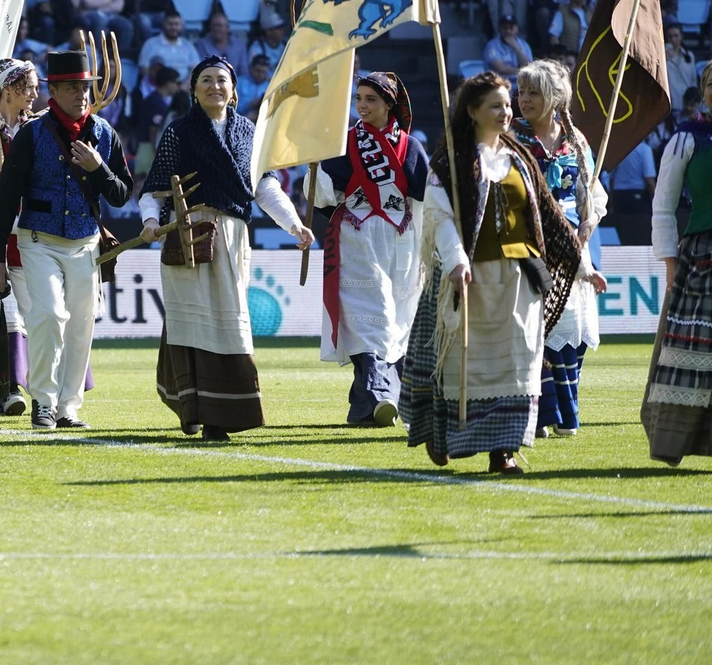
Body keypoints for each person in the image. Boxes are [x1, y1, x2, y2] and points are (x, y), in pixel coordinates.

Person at [400, 72, 585, 475]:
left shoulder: (519, 158)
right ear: (472, 111)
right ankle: (443, 433)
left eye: (507, 104)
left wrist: (581, 265)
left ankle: (503, 451)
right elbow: (440, 217)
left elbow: (548, 217)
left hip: (520, 281)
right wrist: (455, 260)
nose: (506, 111)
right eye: (496, 106)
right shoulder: (450, 162)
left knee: (518, 365)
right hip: (469, 277)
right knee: (460, 365)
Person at [140, 57, 312, 441]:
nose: (214, 86)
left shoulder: (250, 133)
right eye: (205, 80)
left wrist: (294, 223)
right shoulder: (179, 132)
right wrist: (151, 221)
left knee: (228, 319)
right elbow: (155, 191)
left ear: (234, 90)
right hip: (188, 234)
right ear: (193, 89)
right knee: (192, 320)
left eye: (222, 80)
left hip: (232, 235)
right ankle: (193, 408)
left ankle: (221, 413)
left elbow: (265, 187)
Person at [0, 51, 131, 429]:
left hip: (84, 244)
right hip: (38, 240)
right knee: (48, 315)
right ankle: (44, 402)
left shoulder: (104, 132)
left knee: (81, 324)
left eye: (84, 87)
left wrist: (97, 169)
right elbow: (5, 196)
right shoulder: (33, 134)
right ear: (54, 92)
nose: (81, 95)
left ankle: (69, 407)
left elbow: (121, 194)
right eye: (71, 88)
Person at [311, 73, 429, 426]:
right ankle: (379, 394)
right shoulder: (343, 143)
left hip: (402, 244)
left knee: (398, 320)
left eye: (371, 100)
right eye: (358, 99)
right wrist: (314, 166)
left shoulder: (411, 147)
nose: (362, 105)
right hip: (357, 240)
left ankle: (373, 405)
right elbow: (321, 196)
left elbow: (427, 200)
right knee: (369, 315)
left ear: (389, 104)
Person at [514, 60, 607, 439]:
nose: (524, 100)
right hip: (527, 243)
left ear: (554, 97)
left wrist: (590, 220)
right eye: (521, 92)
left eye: (533, 92)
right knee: (537, 327)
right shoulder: (511, 138)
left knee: (571, 329)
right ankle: (541, 414)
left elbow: (592, 193)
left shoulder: (576, 140)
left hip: (572, 246)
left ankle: (567, 413)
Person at [646, 63, 712, 465]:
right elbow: (663, 206)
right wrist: (669, 263)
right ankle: (678, 440)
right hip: (702, 257)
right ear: (702, 90)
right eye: (711, 83)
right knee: (698, 356)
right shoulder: (687, 138)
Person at [0, 58, 39, 415]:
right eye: (28, 86)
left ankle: (45, 389)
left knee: (36, 313)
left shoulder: (39, 129)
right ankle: (1, 389)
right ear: (8, 90)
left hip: (31, 233)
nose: (34, 93)